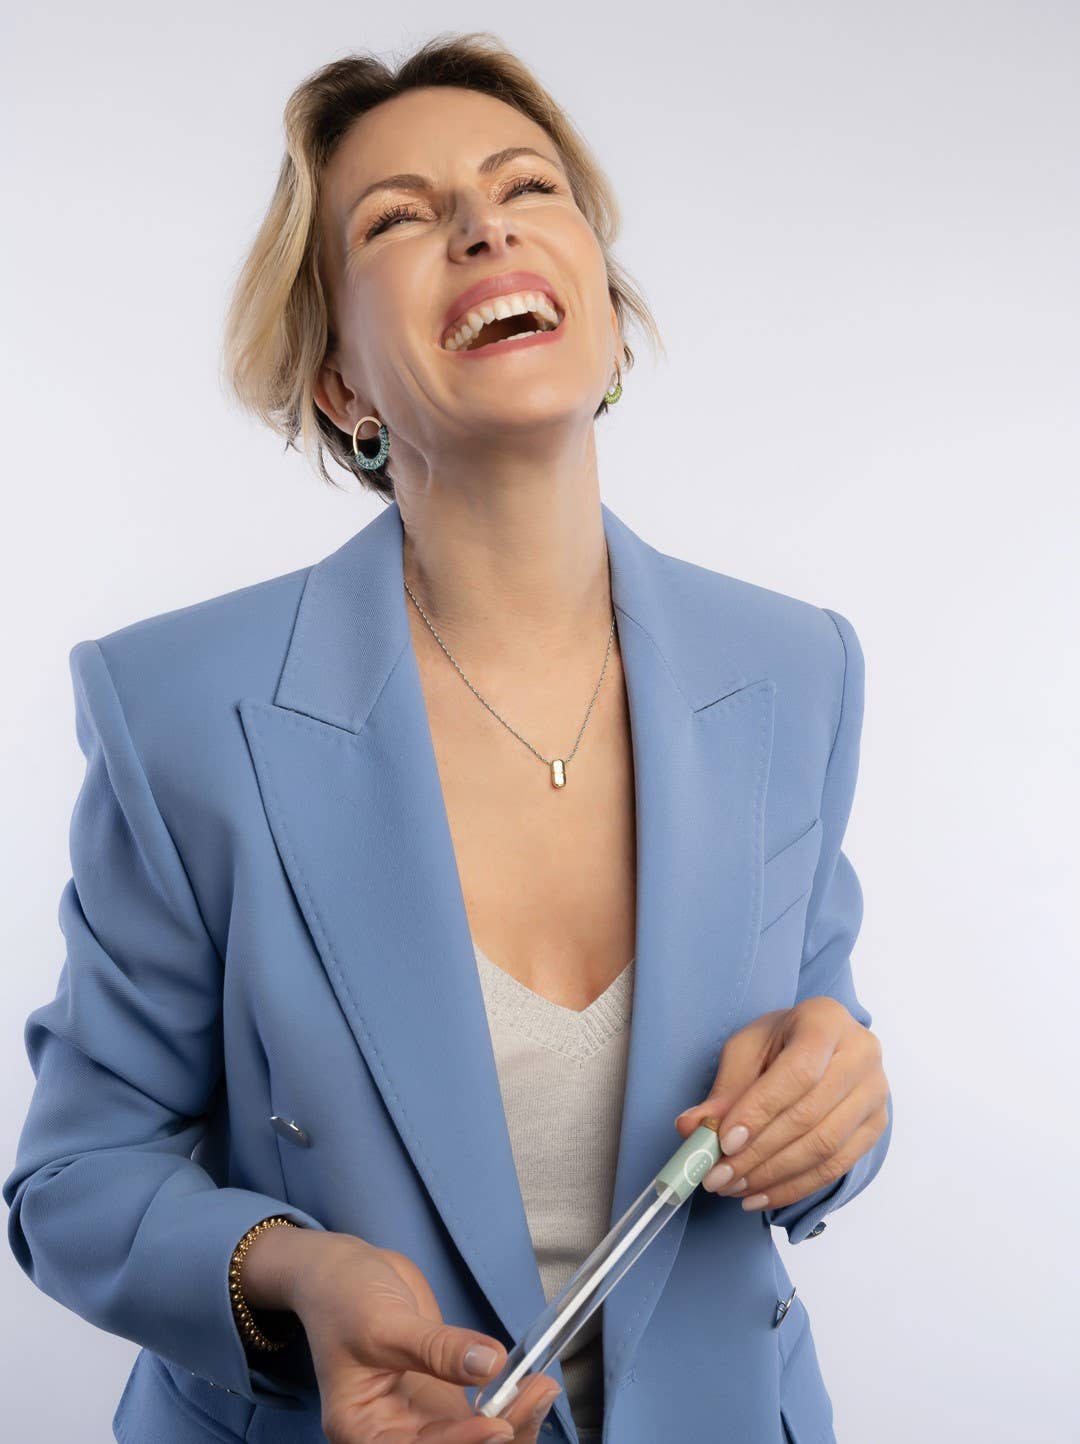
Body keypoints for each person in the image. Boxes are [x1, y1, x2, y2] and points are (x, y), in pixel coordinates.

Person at [3, 31, 893, 1444]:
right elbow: (76, 1179)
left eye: (527, 186)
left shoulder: (795, 669)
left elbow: (813, 1067)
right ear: (343, 388)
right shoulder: (177, 709)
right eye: (398, 218)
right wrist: (296, 1277)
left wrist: (842, 1105)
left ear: (607, 318)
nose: (483, 226)